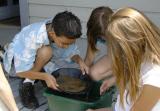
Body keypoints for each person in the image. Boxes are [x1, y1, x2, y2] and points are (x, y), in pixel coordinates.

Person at [3, 11, 88, 109]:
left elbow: (71, 52)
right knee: (46, 51)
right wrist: (44, 76)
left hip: (35, 59)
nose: (66, 47)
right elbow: (21, 71)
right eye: (64, 43)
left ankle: (38, 73)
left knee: (48, 56)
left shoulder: (60, 28)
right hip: (16, 65)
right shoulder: (31, 36)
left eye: (70, 43)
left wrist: (79, 60)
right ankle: (27, 83)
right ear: (52, 34)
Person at [87, 7, 160, 111]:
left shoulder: (154, 77)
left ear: (131, 46)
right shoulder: (140, 59)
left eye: (115, 49)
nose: (114, 55)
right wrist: (112, 80)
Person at [85, 6, 115, 95]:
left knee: (126, 70)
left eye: (105, 35)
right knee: (93, 74)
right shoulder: (93, 32)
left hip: (133, 58)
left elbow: (130, 60)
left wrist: (112, 80)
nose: (103, 38)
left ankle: (124, 75)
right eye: (100, 36)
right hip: (114, 54)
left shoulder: (120, 31)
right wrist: (83, 78)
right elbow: (89, 59)